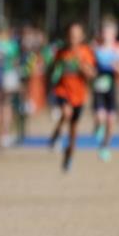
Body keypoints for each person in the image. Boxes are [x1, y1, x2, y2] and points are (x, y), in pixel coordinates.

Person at [47, 22, 96, 172]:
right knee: (66, 113)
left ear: (81, 37)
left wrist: (82, 66)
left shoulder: (86, 52)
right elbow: (52, 70)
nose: (72, 38)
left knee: (73, 132)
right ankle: (56, 133)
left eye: (75, 35)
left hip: (79, 96)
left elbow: (92, 74)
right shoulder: (61, 52)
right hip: (63, 91)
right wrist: (53, 76)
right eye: (70, 35)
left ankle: (68, 156)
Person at [92, 18, 119, 162]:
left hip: (111, 86)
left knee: (111, 121)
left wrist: (117, 66)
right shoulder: (96, 47)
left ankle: (105, 146)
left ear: (115, 33)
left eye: (109, 32)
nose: (106, 35)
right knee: (100, 117)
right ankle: (97, 129)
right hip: (98, 86)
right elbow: (88, 64)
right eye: (104, 32)